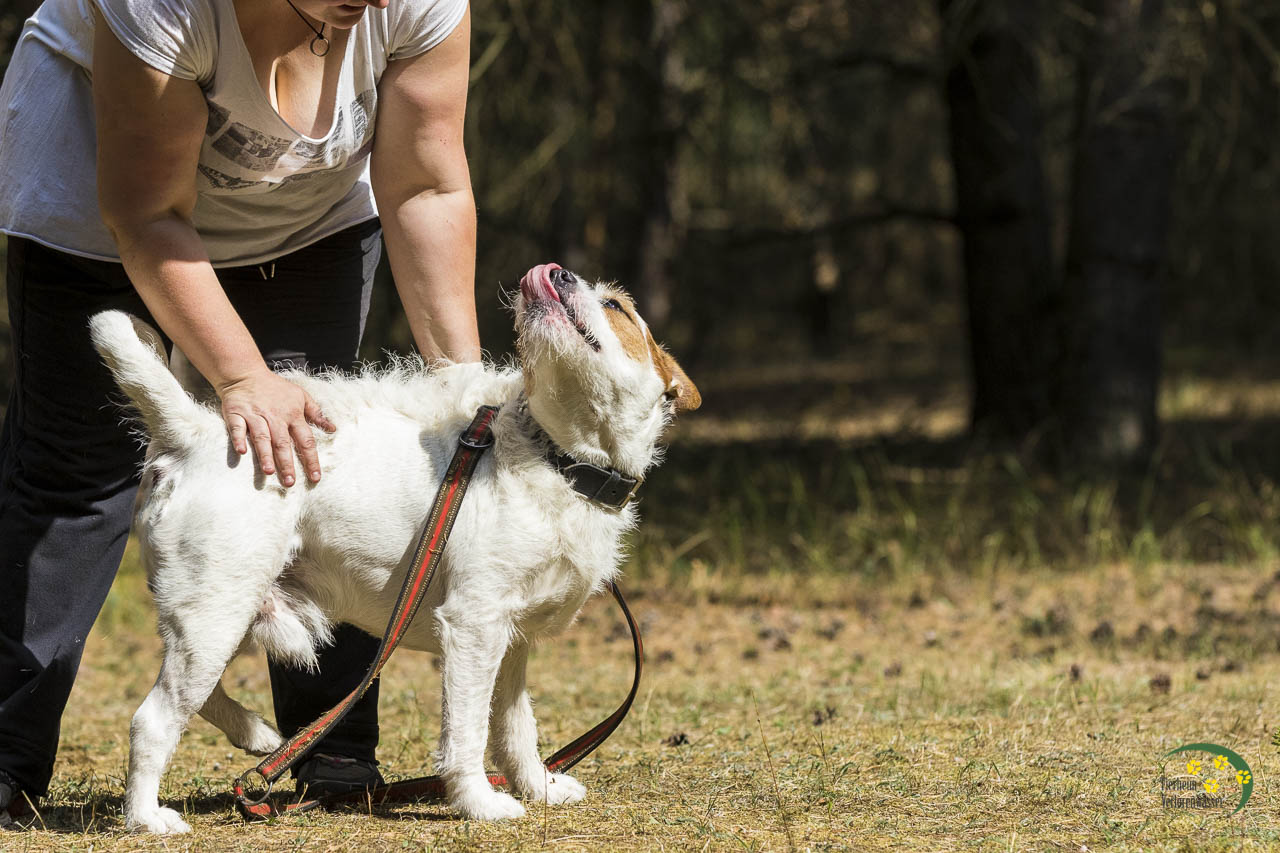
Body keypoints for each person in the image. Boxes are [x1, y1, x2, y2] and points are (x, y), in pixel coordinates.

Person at [0, 0, 481, 822]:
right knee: (76, 478)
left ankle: (332, 747)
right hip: (105, 210)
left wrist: (464, 392)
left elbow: (426, 185)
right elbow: (148, 213)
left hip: (303, 223)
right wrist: (241, 376)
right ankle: (7, 757)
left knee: (326, 465)